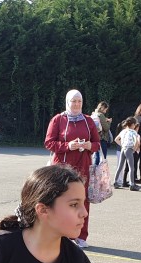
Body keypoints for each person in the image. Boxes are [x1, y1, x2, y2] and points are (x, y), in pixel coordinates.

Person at [44, 89, 99, 248]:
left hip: (83, 168)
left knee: (82, 202)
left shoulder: (88, 121)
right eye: (73, 101)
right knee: (61, 201)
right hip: (62, 168)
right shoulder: (58, 119)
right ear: (67, 102)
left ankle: (80, 236)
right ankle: (60, 235)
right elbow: (49, 143)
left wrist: (89, 145)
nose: (76, 104)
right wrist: (68, 146)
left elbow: (97, 143)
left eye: (79, 101)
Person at [112, 117, 140, 191]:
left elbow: (116, 139)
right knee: (131, 167)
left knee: (120, 166)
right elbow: (136, 141)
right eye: (135, 125)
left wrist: (122, 145)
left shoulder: (123, 131)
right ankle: (132, 184)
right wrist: (134, 149)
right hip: (129, 149)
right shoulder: (133, 132)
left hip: (123, 149)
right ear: (133, 124)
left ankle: (115, 182)